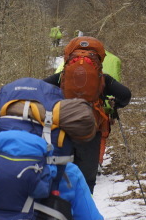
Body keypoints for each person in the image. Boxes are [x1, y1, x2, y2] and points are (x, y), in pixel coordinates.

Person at [44, 36, 131, 193]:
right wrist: (116, 104)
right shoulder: (102, 79)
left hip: (62, 130)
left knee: (60, 180)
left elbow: (41, 88)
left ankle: (61, 212)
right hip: (90, 131)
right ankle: (83, 211)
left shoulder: (61, 77)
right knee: (85, 182)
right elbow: (125, 95)